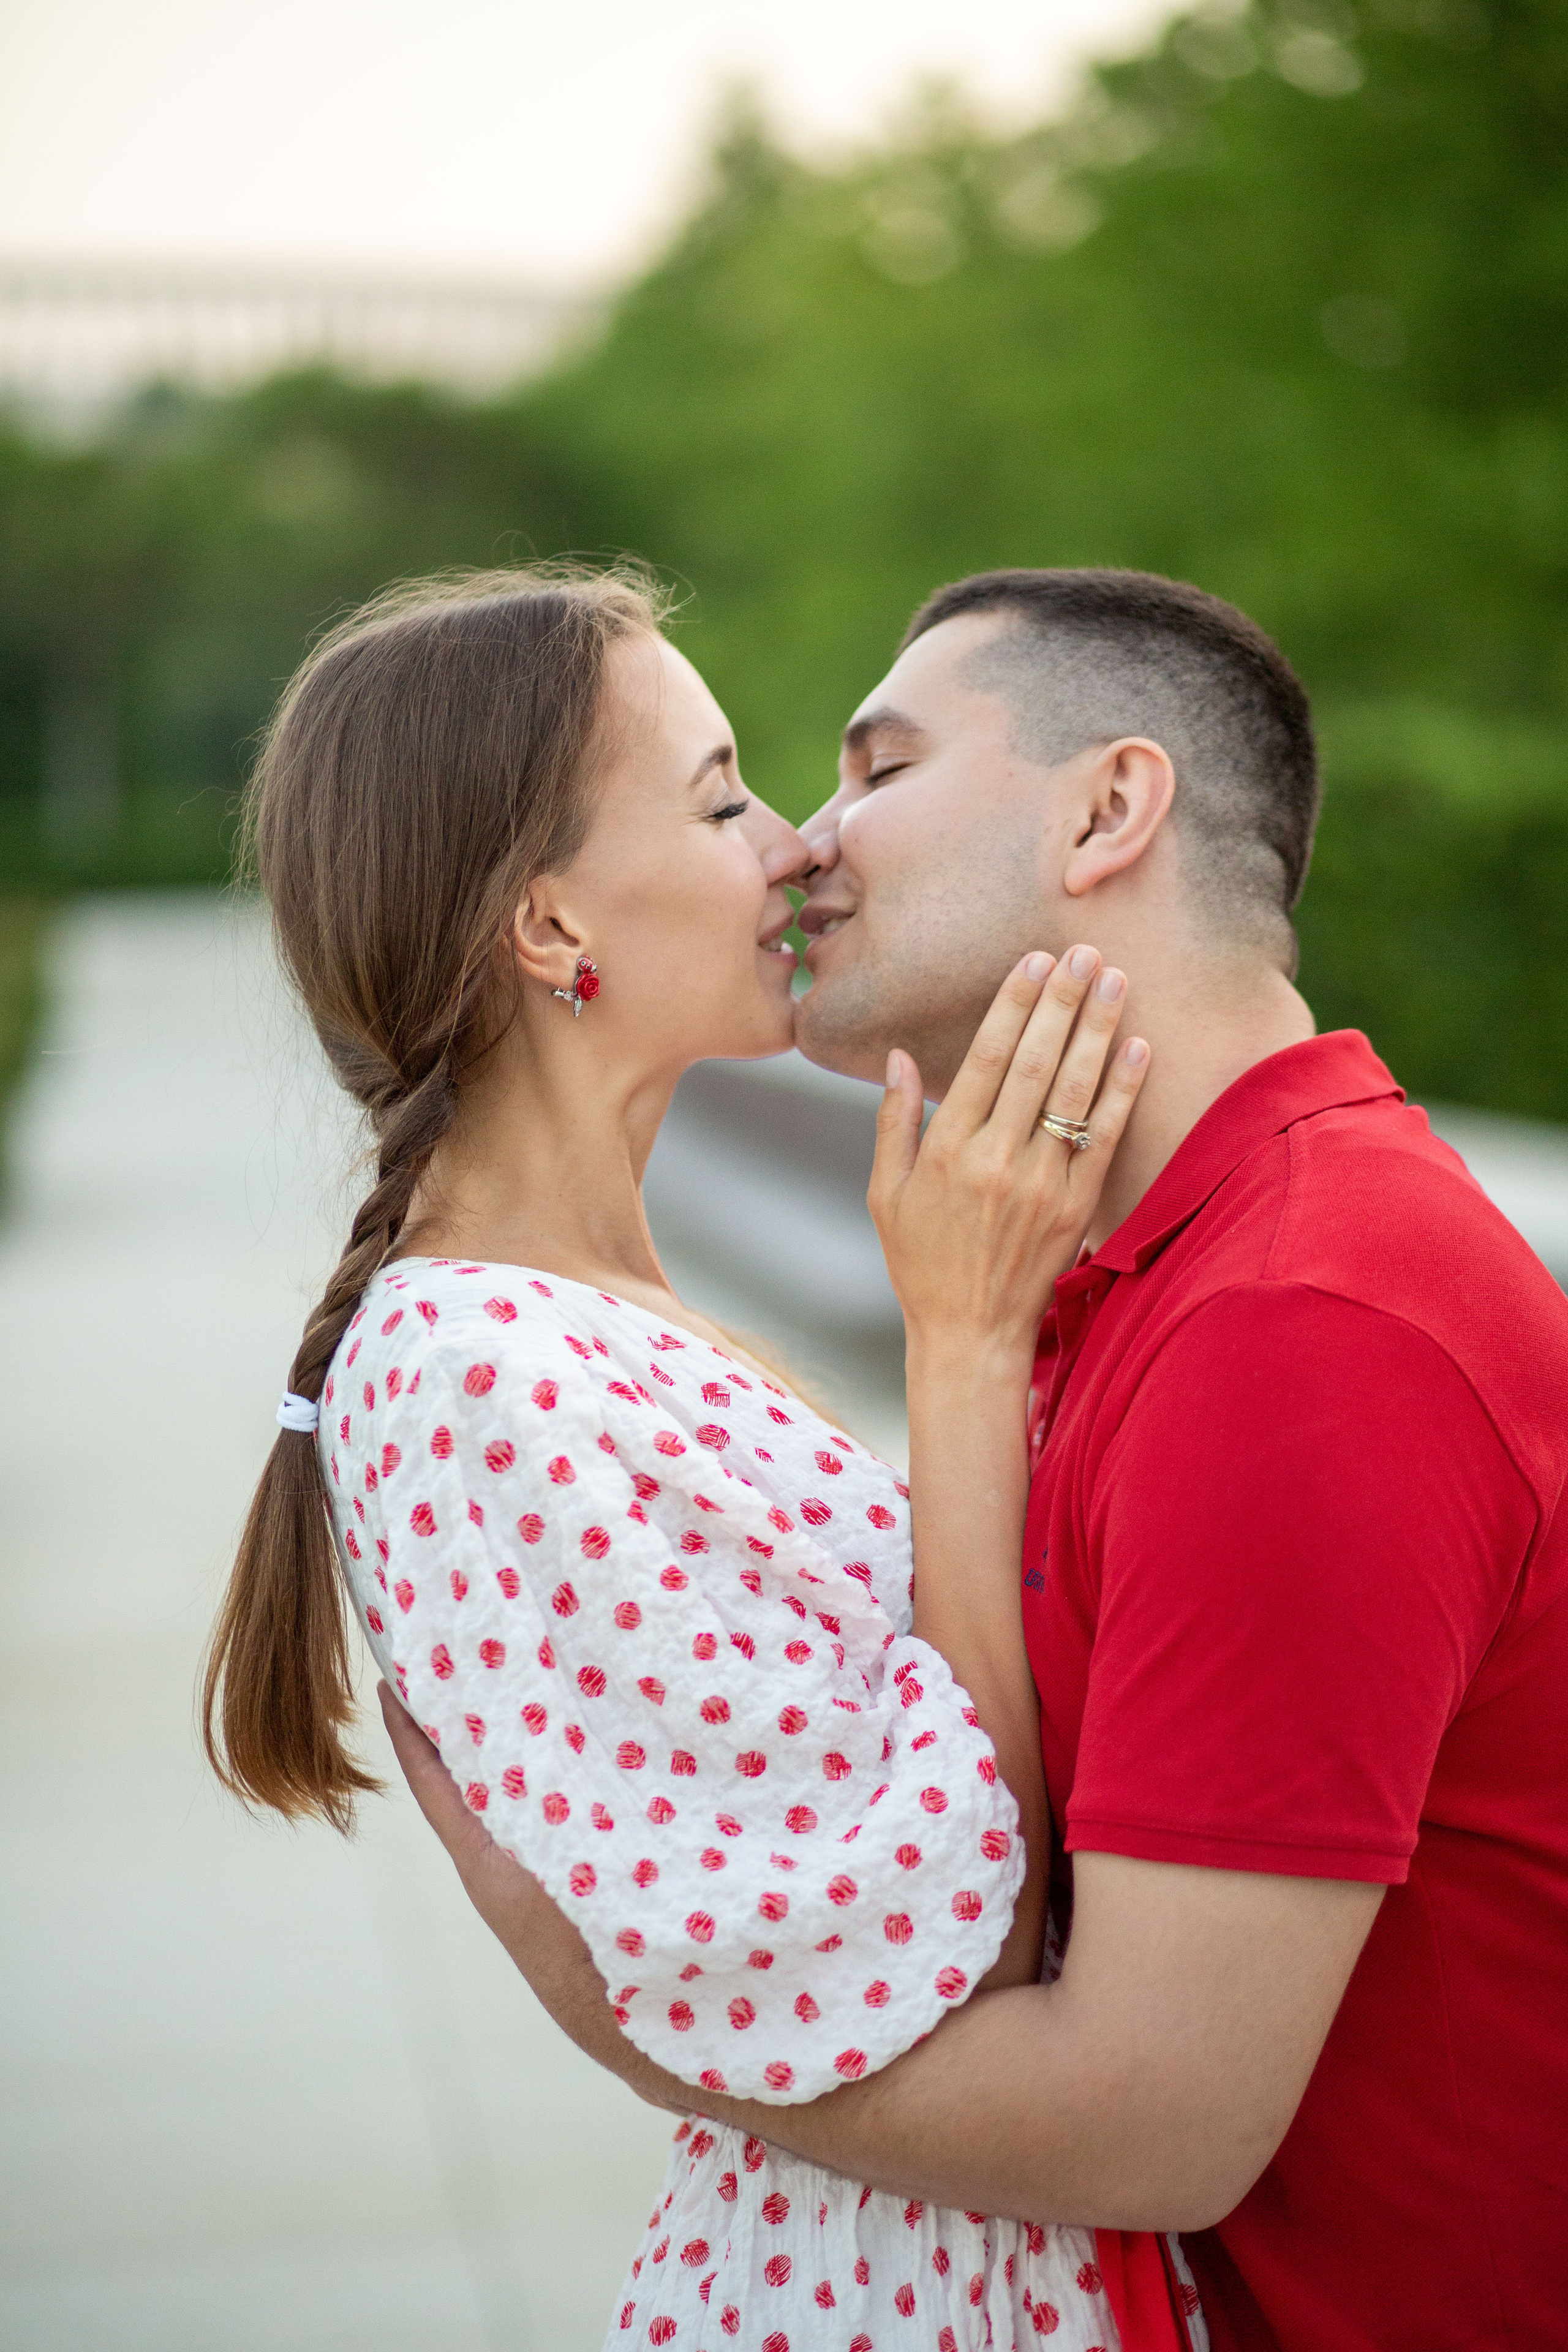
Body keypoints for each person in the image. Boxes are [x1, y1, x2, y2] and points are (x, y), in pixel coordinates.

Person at [384, 567, 1568, 2352]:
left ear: (1109, 811)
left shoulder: (1303, 1321)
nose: (809, 845)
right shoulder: (1133, 1277)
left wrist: (629, 2012)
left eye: (875, 768)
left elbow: (1155, 2116)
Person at [202, 564, 1199, 2352]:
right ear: (544, 920)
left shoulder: (594, 1318)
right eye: (724, 794)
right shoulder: (471, 1371)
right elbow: (931, 1930)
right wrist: (963, 1343)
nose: (800, 848)